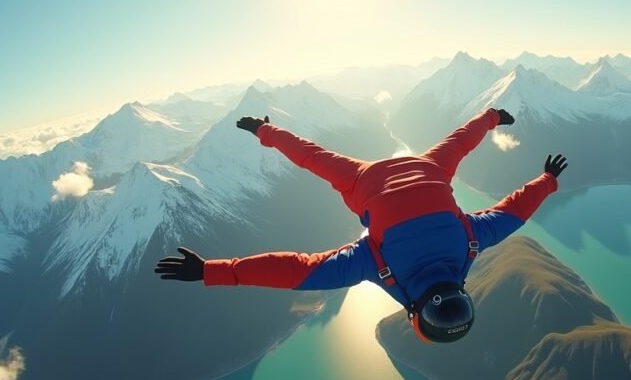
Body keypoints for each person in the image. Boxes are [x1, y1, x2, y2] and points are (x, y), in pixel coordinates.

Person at [156, 108, 568, 343]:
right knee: (315, 159)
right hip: (366, 182)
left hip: (428, 168)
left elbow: (513, 210)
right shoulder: (376, 265)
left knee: (455, 145)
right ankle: (264, 130)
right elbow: (295, 270)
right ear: (414, 313)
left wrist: (542, 175)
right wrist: (211, 271)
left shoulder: (469, 243)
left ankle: (264, 129)